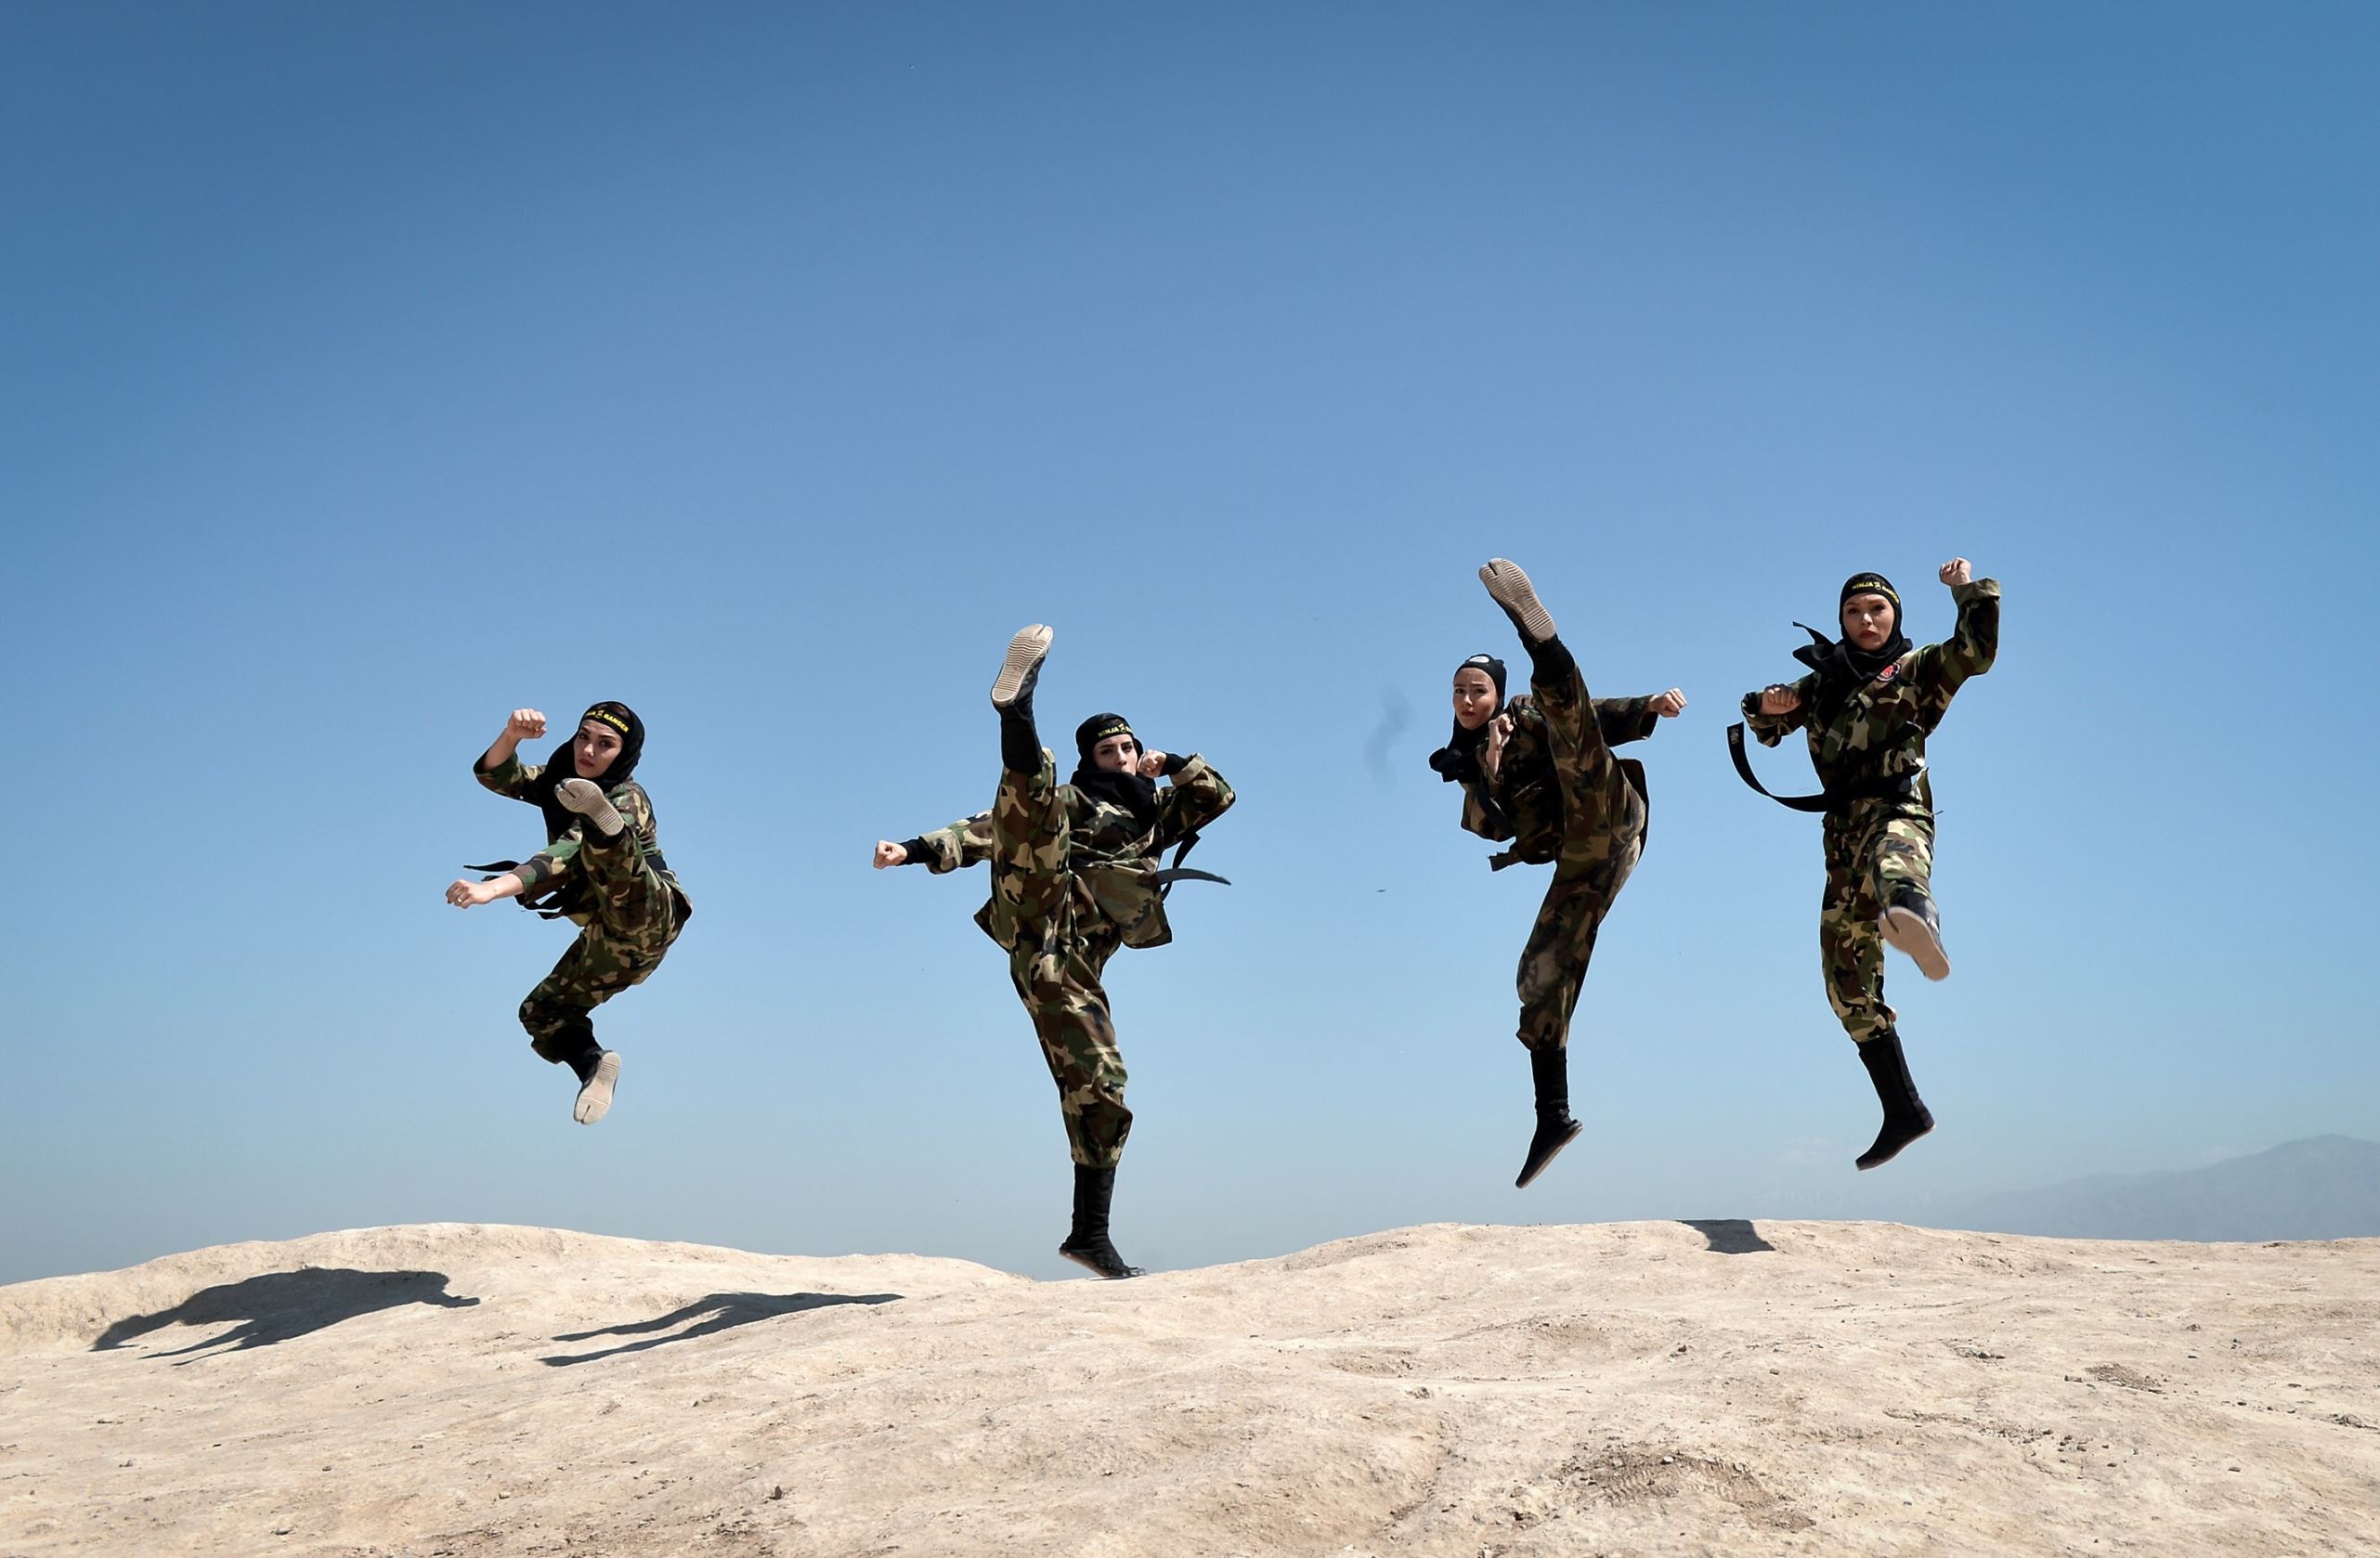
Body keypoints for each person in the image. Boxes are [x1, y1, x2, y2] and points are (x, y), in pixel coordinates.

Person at [875, 626, 1235, 1279]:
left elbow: (1216, 795)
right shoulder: (1072, 799)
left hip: (1074, 965)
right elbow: (983, 829)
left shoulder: (1153, 813)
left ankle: (1087, 1236)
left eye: (1128, 747)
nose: (1122, 757)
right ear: (1088, 760)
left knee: (1102, 1088)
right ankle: (1017, 713)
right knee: (1032, 805)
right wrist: (912, 849)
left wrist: (1173, 763)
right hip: (1037, 911)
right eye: (1108, 750)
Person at [1732, 559, 2000, 1170]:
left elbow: (1976, 650)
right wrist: (1768, 705)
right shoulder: (1822, 683)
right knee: (1843, 982)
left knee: (1895, 867)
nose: (1865, 619)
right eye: (1853, 612)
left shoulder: (1916, 669)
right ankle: (1904, 1110)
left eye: (1876, 609)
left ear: (1894, 616)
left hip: (1897, 807)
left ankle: (1913, 916)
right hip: (1839, 837)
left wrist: (1964, 591)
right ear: (1841, 621)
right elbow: (1762, 720)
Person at [1428, 560, 1685, 1188]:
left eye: (1476, 691)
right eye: (1458, 692)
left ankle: (1538, 636)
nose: (1466, 701)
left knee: (1567, 733)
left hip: (1607, 811)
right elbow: (1493, 833)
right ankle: (1553, 1117)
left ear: (1494, 692)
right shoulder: (1462, 762)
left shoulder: (1522, 713)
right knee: (1538, 972)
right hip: (1581, 859)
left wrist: (1647, 706)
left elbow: (1583, 716)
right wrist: (1483, 771)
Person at [447, 703, 690, 1126]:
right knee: (542, 1012)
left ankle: (605, 828)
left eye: (605, 744)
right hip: (612, 943)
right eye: (584, 738)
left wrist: (492, 890)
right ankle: (594, 1066)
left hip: (650, 912)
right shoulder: (561, 782)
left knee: (600, 849)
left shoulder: (629, 796)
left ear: (625, 754)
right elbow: (497, 775)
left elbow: (561, 856)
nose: (589, 751)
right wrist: (511, 736)